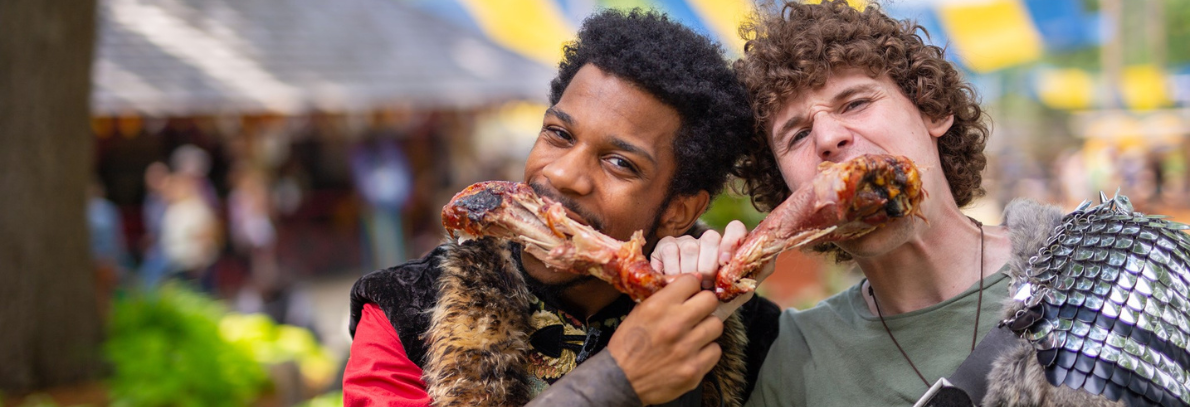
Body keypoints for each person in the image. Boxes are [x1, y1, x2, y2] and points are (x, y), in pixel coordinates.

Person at [342, 9, 780, 407]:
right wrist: (614, 381)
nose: (565, 174)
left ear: (679, 211)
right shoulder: (404, 310)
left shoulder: (753, 334)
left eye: (619, 163)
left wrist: (708, 313)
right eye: (559, 134)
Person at [656, 1, 1016, 405]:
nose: (827, 138)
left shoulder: (1086, 262)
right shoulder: (792, 359)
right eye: (796, 135)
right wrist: (693, 313)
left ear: (933, 110)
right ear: (788, 190)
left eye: (855, 103)